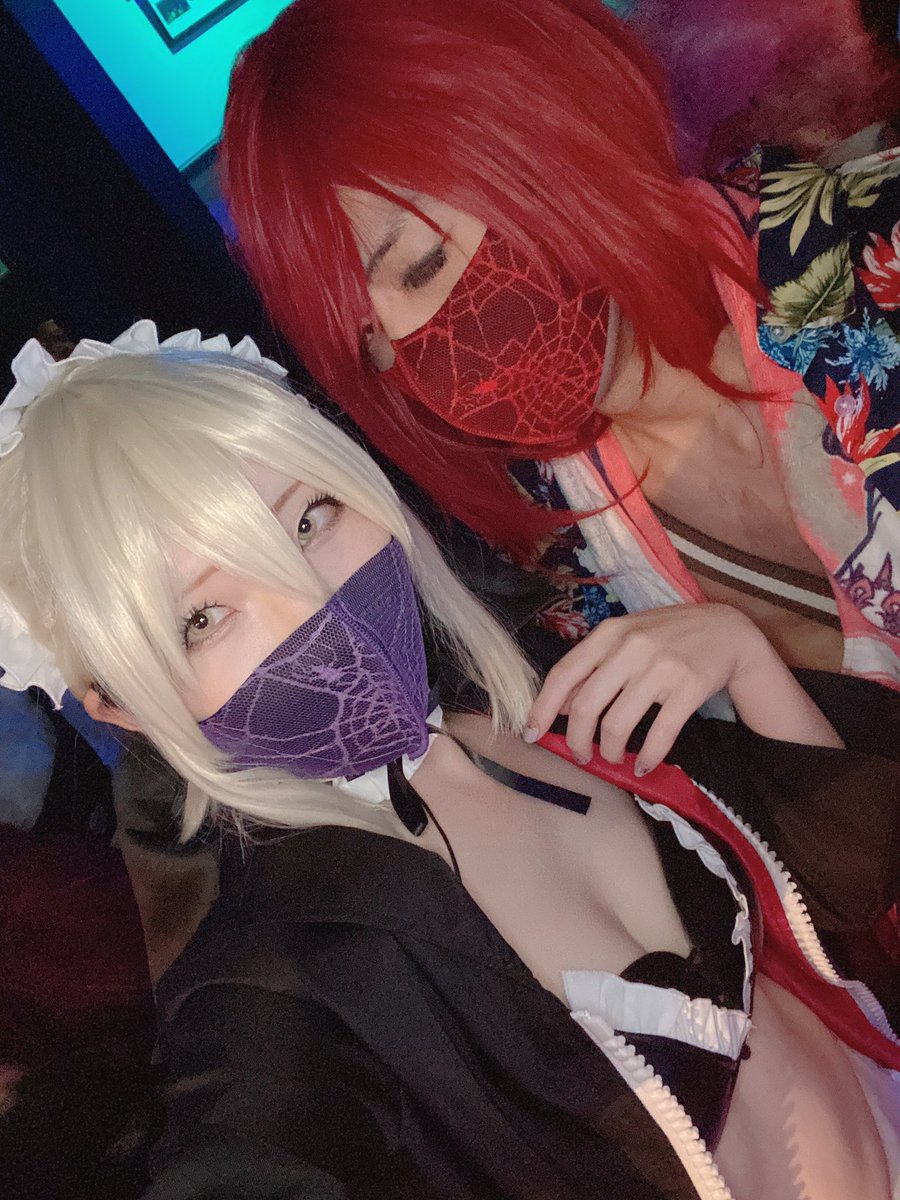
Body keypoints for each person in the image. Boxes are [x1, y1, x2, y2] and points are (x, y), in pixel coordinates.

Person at [0, 322, 897, 1200]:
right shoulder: (279, 982)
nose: (311, 608)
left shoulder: (534, 691)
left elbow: (845, 882)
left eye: (309, 519)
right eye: (202, 618)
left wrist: (742, 654)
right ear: (118, 705)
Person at [220, 0, 900, 688]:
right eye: (368, 339)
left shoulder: (879, 248)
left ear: (542, 135)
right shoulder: (557, 552)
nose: (408, 345)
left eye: (420, 265)